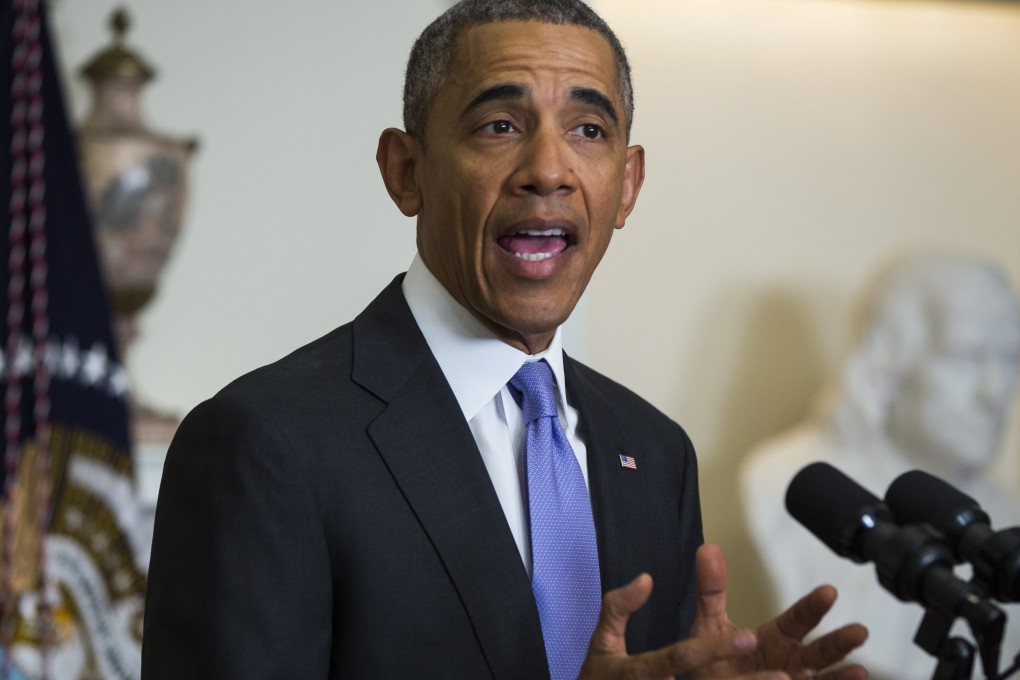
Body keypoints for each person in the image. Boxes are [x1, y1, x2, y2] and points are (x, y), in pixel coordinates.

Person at [142, 1, 868, 678]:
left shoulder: (655, 452)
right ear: (406, 171)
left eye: (588, 130)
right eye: (500, 126)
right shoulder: (264, 444)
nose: (548, 171)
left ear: (629, 184)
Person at [740, 253, 1020, 680]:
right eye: (969, 356)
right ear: (888, 357)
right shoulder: (781, 480)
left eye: (1010, 358)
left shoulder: (1007, 516)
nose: (996, 391)